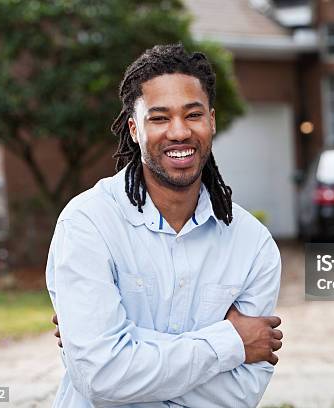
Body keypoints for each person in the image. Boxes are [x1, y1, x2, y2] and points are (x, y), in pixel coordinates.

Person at [45, 44, 283, 408]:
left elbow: (239, 394)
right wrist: (231, 342)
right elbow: (100, 377)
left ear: (212, 121)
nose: (179, 132)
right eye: (159, 118)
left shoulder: (253, 244)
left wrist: (126, 350)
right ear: (134, 129)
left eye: (193, 115)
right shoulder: (88, 224)